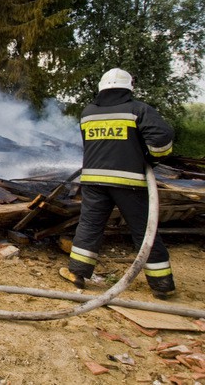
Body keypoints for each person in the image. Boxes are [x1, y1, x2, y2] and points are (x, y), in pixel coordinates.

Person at [60, 68, 176, 299]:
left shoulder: (88, 113)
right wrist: (151, 157)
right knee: (144, 230)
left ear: (102, 88)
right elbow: (162, 138)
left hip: (93, 179)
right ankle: (161, 284)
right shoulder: (138, 110)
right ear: (127, 88)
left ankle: (78, 273)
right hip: (128, 180)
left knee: (89, 225)